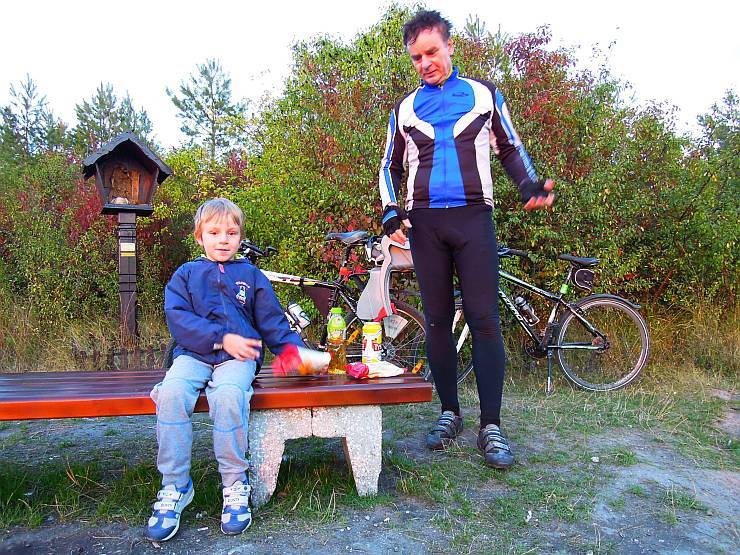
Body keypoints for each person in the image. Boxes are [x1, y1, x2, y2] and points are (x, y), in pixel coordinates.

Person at [378, 10, 555, 469]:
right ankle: (449, 413)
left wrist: (529, 185)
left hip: (474, 218)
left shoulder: (483, 95)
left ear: (450, 46)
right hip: (425, 226)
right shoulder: (404, 109)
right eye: (416, 57)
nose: (425, 63)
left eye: (432, 52)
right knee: (437, 321)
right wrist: (391, 209)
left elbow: (510, 147)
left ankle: (491, 426)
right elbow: (389, 166)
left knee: (484, 320)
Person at [144, 198, 304, 542]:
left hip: (238, 358)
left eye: (231, 233)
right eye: (214, 232)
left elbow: (273, 321)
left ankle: (234, 483)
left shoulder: (251, 275)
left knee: (230, 396)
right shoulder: (186, 274)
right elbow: (179, 320)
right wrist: (220, 338)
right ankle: (175, 485)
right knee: (170, 394)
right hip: (193, 354)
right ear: (199, 236)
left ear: (240, 237)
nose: (223, 239)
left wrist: (293, 352)